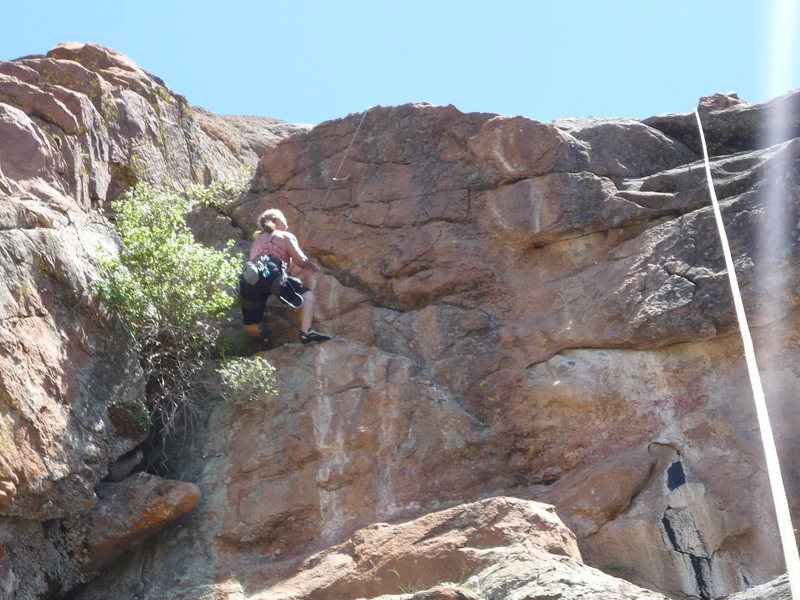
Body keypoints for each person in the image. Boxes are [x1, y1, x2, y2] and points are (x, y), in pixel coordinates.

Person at [240, 208, 331, 349]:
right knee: (307, 295)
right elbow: (301, 260)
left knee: (251, 321)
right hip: (272, 273)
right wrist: (315, 267)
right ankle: (306, 332)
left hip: (250, 278)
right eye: (284, 221)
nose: (287, 225)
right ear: (276, 220)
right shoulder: (284, 235)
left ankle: (260, 339)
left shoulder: (256, 242)